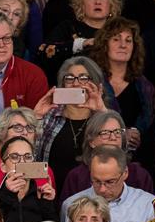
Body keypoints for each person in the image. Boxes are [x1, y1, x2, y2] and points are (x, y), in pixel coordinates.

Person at [61, 145, 154, 222]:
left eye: (110, 182)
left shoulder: (147, 205)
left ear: (125, 173)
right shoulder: (72, 204)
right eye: (96, 181)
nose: (102, 189)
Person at [33, 56, 107, 195]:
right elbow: (30, 155)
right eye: (70, 78)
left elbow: (120, 154)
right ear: (63, 84)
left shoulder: (104, 116)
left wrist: (101, 112)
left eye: (83, 78)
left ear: (95, 83)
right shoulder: (50, 115)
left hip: (94, 197)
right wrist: (36, 117)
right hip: (51, 193)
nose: (76, 83)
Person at [87, 17, 155, 153]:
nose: (123, 45)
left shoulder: (145, 86)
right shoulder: (92, 83)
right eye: (116, 39)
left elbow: (151, 127)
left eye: (128, 40)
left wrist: (136, 132)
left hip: (138, 157)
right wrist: (121, 134)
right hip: (97, 152)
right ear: (105, 44)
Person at [58, 111, 154, 206]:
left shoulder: (140, 175)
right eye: (105, 133)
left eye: (117, 132)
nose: (113, 137)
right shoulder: (76, 177)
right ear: (91, 141)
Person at [38, 0, 121, 82]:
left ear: (111, 4)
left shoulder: (118, 30)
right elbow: (43, 52)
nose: (98, 2)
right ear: (81, 3)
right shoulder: (68, 27)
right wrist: (79, 44)